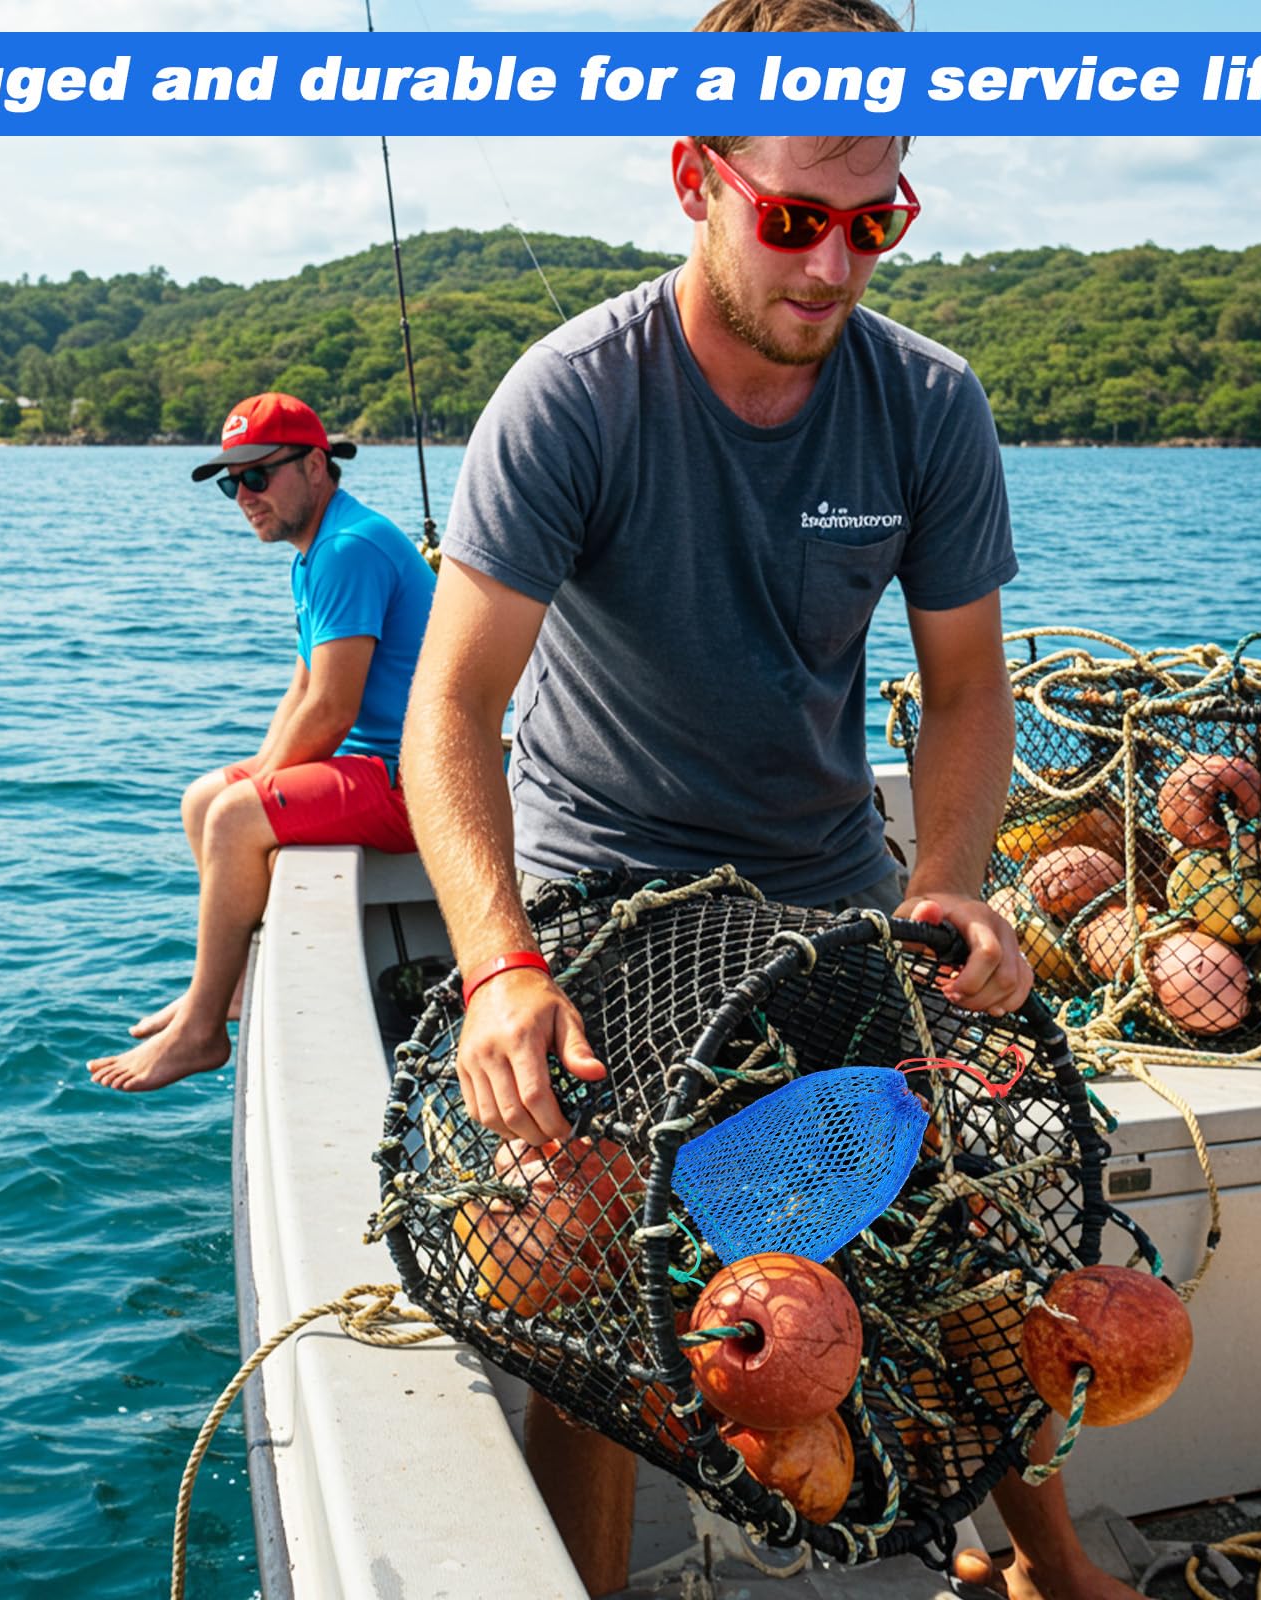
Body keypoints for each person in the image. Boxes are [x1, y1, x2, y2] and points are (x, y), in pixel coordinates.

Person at [400, 4, 1145, 1596]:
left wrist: (952, 879)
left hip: (824, 888)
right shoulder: (572, 398)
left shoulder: (928, 405)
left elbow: (963, 691)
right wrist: (499, 966)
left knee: (955, 1224)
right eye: (796, 218)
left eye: (878, 222)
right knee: (596, 1263)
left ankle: (1049, 1567)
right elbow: (451, 711)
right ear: (695, 174)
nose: (835, 266)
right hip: (612, 888)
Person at [89, 392, 434, 1093]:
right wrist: (255, 775)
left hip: (417, 781)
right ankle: (234, 985)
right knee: (203, 800)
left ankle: (203, 1029)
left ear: (315, 465)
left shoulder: (346, 548)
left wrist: (256, 794)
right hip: (369, 763)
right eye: (230, 483)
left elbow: (333, 711)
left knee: (234, 816)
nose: (244, 497)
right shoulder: (314, 552)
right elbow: (302, 692)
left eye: (257, 476)